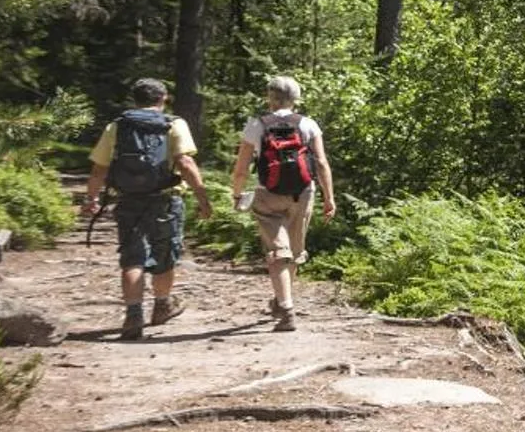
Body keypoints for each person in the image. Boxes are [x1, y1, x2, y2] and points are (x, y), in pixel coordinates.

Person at [83, 78, 212, 340]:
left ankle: (133, 316)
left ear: (135, 99)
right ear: (163, 98)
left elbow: (99, 168)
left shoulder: (117, 127)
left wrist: (91, 199)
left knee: (132, 257)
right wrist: (202, 198)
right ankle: (161, 306)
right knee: (165, 254)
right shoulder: (174, 125)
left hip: (128, 199)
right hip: (165, 199)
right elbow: (185, 162)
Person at [226, 75, 336, 331]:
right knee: (294, 252)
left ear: (270, 97)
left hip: (268, 194)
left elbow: (241, 168)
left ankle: (285, 307)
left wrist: (237, 194)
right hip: (303, 193)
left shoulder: (257, 125)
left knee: (278, 252)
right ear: (296, 99)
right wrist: (329, 198)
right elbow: (321, 163)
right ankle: (283, 299)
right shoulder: (308, 124)